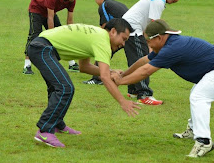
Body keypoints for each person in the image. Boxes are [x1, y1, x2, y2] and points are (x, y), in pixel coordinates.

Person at [112, 19, 214, 157]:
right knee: (196, 94)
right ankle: (193, 129)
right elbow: (144, 61)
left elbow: (146, 71)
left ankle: (203, 141)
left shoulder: (171, 48)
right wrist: (124, 74)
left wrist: (120, 81)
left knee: (198, 96)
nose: (147, 44)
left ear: (159, 37)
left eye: (148, 41)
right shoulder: (167, 44)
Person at [28, 19, 140, 148]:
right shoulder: (102, 40)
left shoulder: (96, 35)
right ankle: (44, 130)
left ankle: (57, 124)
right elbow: (104, 77)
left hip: (41, 47)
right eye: (123, 39)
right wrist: (122, 101)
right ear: (113, 32)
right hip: (42, 49)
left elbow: (85, 67)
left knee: (57, 88)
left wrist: (110, 72)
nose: (123, 44)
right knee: (65, 88)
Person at [122, 0, 186, 105]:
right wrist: (152, 47)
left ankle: (133, 90)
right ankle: (144, 94)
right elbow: (155, 26)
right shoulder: (158, 0)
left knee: (136, 59)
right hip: (133, 30)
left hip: (130, 28)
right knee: (142, 60)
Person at [23, 0, 83, 75]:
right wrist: (52, 35)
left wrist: (70, 33)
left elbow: (70, 20)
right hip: (36, 9)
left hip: (50, 12)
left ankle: (72, 64)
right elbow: (50, 17)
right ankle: (27, 66)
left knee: (62, 35)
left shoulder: (72, 0)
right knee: (34, 35)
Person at [83, 0, 128, 85]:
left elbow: (105, 25)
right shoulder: (117, 4)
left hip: (121, 34)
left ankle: (97, 79)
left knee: (102, 52)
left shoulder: (104, 5)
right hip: (129, 33)